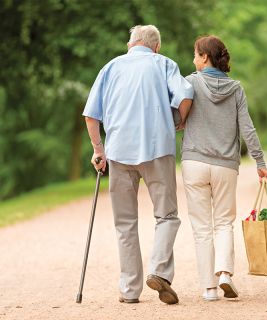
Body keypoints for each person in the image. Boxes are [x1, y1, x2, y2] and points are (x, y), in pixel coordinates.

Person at [83, 25, 193, 305]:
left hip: (119, 152)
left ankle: (130, 290)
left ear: (131, 44)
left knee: (125, 223)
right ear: (156, 46)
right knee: (167, 216)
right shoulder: (165, 64)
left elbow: (91, 116)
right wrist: (177, 122)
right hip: (158, 149)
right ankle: (159, 271)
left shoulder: (110, 67)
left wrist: (99, 150)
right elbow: (185, 95)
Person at [181, 35, 267, 301]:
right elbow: (248, 129)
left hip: (194, 162)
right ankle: (225, 274)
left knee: (201, 227)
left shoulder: (190, 83)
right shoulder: (236, 89)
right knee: (223, 223)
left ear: (205, 57)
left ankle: (209, 289)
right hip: (225, 166)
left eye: (196, 54)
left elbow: (177, 117)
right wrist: (260, 162)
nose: (194, 59)